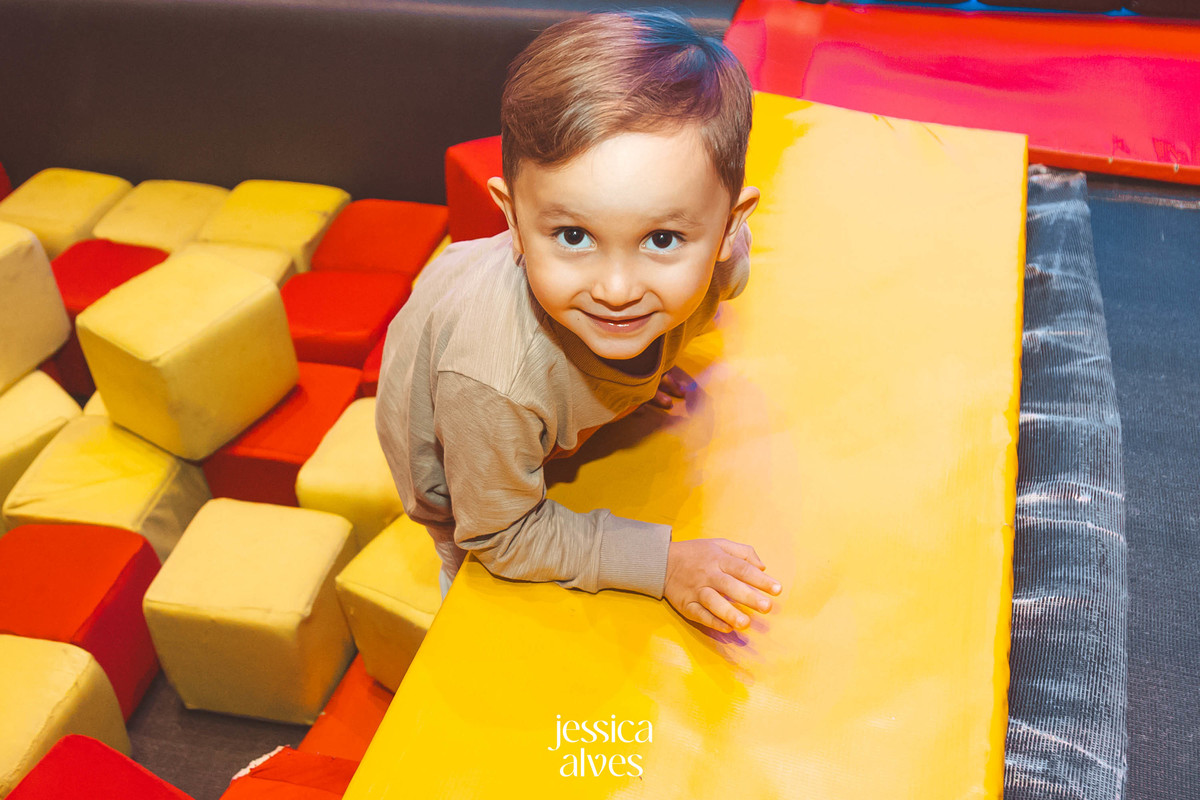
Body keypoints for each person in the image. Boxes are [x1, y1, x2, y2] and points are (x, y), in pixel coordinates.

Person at [376, 10, 781, 634]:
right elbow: (500, 536)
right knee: (485, 613)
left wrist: (638, 372)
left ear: (729, 227)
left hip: (525, 406)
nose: (617, 292)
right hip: (464, 477)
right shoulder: (493, 379)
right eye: (573, 235)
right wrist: (663, 564)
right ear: (513, 220)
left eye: (662, 239)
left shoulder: (723, 268)